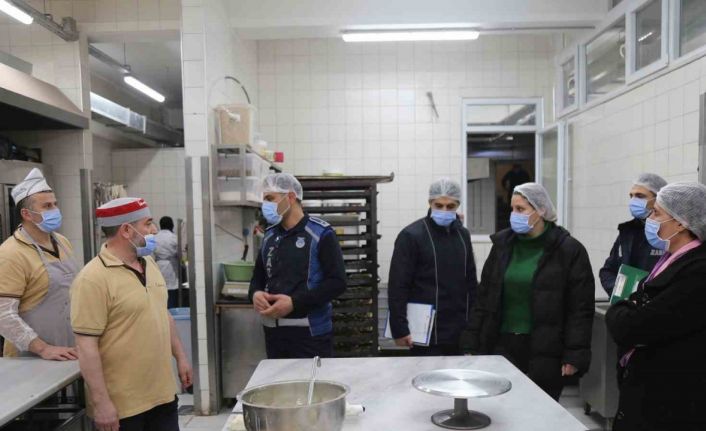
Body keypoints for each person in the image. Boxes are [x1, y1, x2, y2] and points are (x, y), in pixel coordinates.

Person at [462, 183, 594, 400]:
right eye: (512, 209)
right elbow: (484, 297)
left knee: (540, 409)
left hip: (546, 349)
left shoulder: (569, 250)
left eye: (521, 209)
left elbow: (580, 309)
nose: (514, 215)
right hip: (502, 345)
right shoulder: (502, 247)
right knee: (501, 407)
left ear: (540, 210)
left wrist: (574, 354)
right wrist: (471, 341)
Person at [71, 198, 192, 431]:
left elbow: (163, 313)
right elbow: (86, 346)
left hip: (162, 395)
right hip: (123, 406)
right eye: (148, 223)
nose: (154, 230)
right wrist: (101, 403)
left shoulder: (149, 264)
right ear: (126, 230)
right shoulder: (92, 279)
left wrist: (181, 357)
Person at [606, 182, 706, 431]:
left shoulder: (697, 270)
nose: (649, 218)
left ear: (681, 222)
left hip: (671, 401)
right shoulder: (670, 260)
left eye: (657, 213)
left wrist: (621, 309)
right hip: (647, 393)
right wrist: (627, 308)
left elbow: (633, 327)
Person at [249, 173, 346, 359]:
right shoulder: (269, 236)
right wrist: (255, 294)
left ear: (291, 197)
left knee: (312, 380)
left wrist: (294, 303)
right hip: (274, 335)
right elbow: (258, 278)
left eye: (270, 198)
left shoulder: (320, 233)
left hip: (310, 336)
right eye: (264, 200)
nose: (265, 206)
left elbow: (337, 282)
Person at [388, 178, 478, 356]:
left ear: (458, 205)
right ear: (430, 203)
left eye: (450, 206)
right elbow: (398, 285)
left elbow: (471, 282)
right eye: (439, 205)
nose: (444, 210)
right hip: (423, 331)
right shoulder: (411, 236)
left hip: (458, 330)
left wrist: (474, 326)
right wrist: (399, 328)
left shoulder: (463, 236)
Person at [0, 168, 78, 360]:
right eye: (47, 206)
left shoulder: (62, 242)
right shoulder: (11, 253)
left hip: (67, 349)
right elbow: (3, 314)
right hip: (30, 358)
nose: (55, 210)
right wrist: (43, 349)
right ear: (27, 214)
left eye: (55, 204)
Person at [600, 173, 667, 296]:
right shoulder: (627, 232)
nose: (633, 201)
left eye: (640, 196)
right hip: (628, 303)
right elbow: (608, 271)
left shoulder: (669, 232)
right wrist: (623, 293)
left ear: (658, 199)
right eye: (631, 196)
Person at [154, 216, 180, 308]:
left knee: (159, 289)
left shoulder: (155, 237)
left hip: (157, 265)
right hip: (170, 266)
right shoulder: (174, 238)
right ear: (172, 225)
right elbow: (179, 253)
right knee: (171, 291)